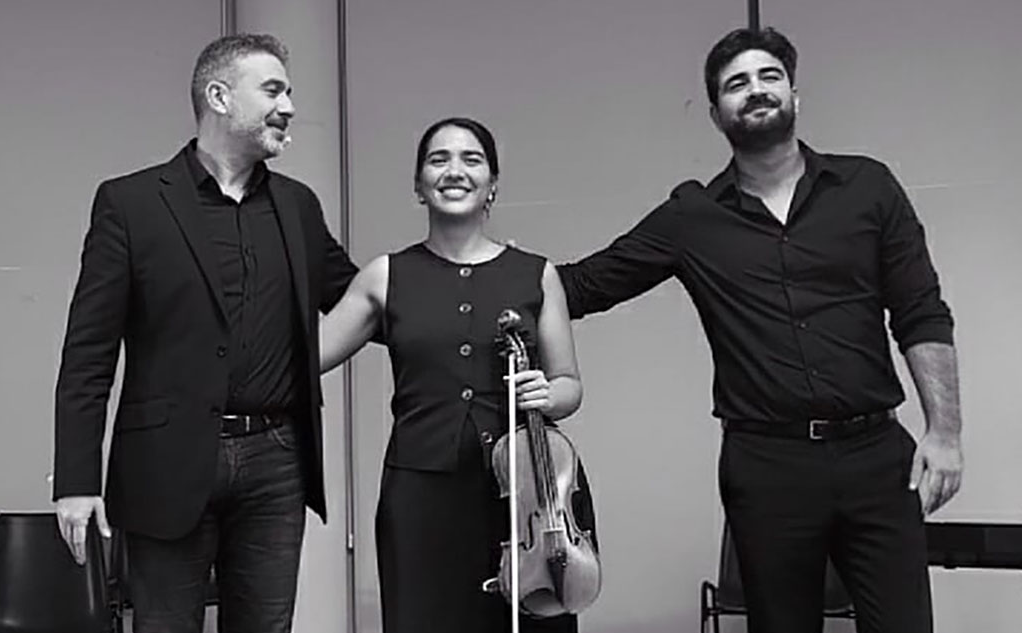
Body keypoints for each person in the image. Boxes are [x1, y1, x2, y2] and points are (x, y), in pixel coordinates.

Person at [557, 27, 963, 633]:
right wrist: (486, 274)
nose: (755, 90)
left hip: (877, 457)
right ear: (716, 113)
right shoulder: (692, 217)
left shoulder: (868, 187)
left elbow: (920, 310)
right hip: (767, 465)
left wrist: (945, 432)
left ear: (795, 94)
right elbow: (584, 285)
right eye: (736, 84)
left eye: (769, 76)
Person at [52, 34, 358, 633]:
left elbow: (360, 299)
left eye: (289, 92)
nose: (289, 107)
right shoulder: (130, 203)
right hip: (163, 463)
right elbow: (88, 352)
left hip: (276, 460)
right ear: (219, 97)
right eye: (273, 91)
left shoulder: (298, 205)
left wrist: (482, 281)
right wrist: (76, 481)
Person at [319, 117, 594, 633]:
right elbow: (306, 357)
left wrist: (548, 395)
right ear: (418, 184)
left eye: (472, 159)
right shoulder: (385, 275)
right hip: (419, 494)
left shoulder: (537, 274)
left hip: (525, 492)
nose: (454, 170)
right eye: (438, 159)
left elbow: (568, 385)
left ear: (493, 184)